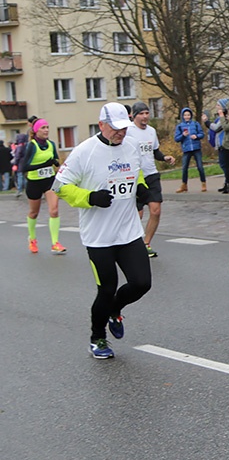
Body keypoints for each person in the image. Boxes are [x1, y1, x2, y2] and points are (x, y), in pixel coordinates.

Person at [53, 102, 153, 359]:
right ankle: (97, 337)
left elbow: (135, 173)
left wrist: (141, 187)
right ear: (101, 125)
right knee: (106, 289)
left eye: (124, 128)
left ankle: (114, 310)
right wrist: (90, 198)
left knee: (142, 283)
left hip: (128, 231)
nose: (121, 133)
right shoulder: (83, 152)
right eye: (116, 129)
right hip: (99, 237)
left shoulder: (130, 147)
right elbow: (61, 187)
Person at [125, 101, 175, 257]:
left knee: (156, 210)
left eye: (147, 113)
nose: (145, 116)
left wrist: (164, 157)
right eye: (141, 113)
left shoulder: (151, 131)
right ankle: (132, 243)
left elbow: (155, 151)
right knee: (137, 215)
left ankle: (146, 243)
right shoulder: (128, 131)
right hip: (135, 177)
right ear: (134, 115)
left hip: (151, 175)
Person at [22, 118, 66, 254]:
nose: (46, 130)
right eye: (43, 128)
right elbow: (25, 166)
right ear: (36, 131)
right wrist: (45, 164)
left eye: (47, 127)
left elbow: (55, 162)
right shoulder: (32, 145)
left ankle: (55, 243)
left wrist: (58, 165)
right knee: (34, 213)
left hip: (49, 181)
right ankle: (32, 239)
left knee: (54, 211)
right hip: (34, 183)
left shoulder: (51, 144)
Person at [174, 107, 207, 193]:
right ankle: (184, 185)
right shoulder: (180, 126)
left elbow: (202, 134)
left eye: (188, 115)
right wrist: (183, 135)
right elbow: (176, 138)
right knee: (184, 167)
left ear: (191, 115)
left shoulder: (195, 124)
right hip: (186, 149)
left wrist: (196, 136)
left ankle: (203, 183)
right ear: (182, 116)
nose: (187, 116)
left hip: (196, 148)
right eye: (185, 115)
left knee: (200, 166)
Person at [12, 132, 28, 198]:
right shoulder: (26, 145)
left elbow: (17, 156)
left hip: (20, 163)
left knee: (20, 176)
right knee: (23, 177)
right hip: (25, 163)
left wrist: (15, 163)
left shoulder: (19, 146)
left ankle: (19, 190)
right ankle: (27, 188)